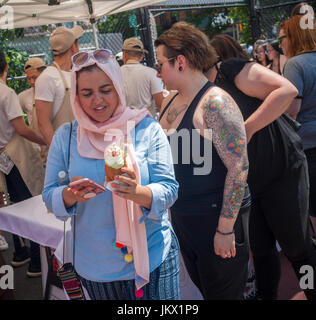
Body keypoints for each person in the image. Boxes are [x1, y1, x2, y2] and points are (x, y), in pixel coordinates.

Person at [42, 49, 180, 300]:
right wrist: (69, 195)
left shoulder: (146, 128)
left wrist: (138, 193)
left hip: (152, 257)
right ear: (75, 95)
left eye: (106, 90)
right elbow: (49, 194)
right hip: (96, 268)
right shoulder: (66, 136)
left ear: (119, 87)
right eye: (86, 93)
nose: (97, 101)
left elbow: (169, 189)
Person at [207, 34, 316, 300]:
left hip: (282, 170)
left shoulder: (231, 70)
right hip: (249, 179)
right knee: (261, 249)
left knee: (297, 247)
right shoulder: (200, 92)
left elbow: (287, 91)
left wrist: (247, 129)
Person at [155, 22, 251, 300]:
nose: (158, 71)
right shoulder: (169, 100)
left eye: (161, 63)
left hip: (215, 219)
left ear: (181, 62)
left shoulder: (215, 103)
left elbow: (239, 166)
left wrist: (225, 229)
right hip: (185, 217)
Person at [0, 50, 45, 277]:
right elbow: (21, 128)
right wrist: (46, 139)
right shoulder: (7, 93)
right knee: (33, 204)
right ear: (6, 68)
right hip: (17, 157)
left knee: (11, 205)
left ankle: (20, 252)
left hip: (2, 162)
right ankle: (37, 261)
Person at [280, 15, 316, 237]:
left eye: (282, 37)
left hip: (309, 147)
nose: (280, 43)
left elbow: (290, 111)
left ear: (293, 37)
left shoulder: (295, 64)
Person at [35, 25, 83, 151]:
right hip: (64, 148)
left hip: (81, 144)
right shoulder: (48, 77)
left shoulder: (74, 73)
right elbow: (43, 123)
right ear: (73, 47)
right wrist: (58, 153)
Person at [120, 37, 164, 117]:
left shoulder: (116, 74)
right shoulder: (151, 73)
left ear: (125, 54)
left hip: (126, 122)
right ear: (141, 57)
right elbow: (161, 105)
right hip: (148, 122)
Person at [18, 57, 46, 125]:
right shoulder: (24, 96)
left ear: (44, 74)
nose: (32, 82)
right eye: (28, 78)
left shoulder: (55, 91)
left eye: (34, 77)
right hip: (35, 135)